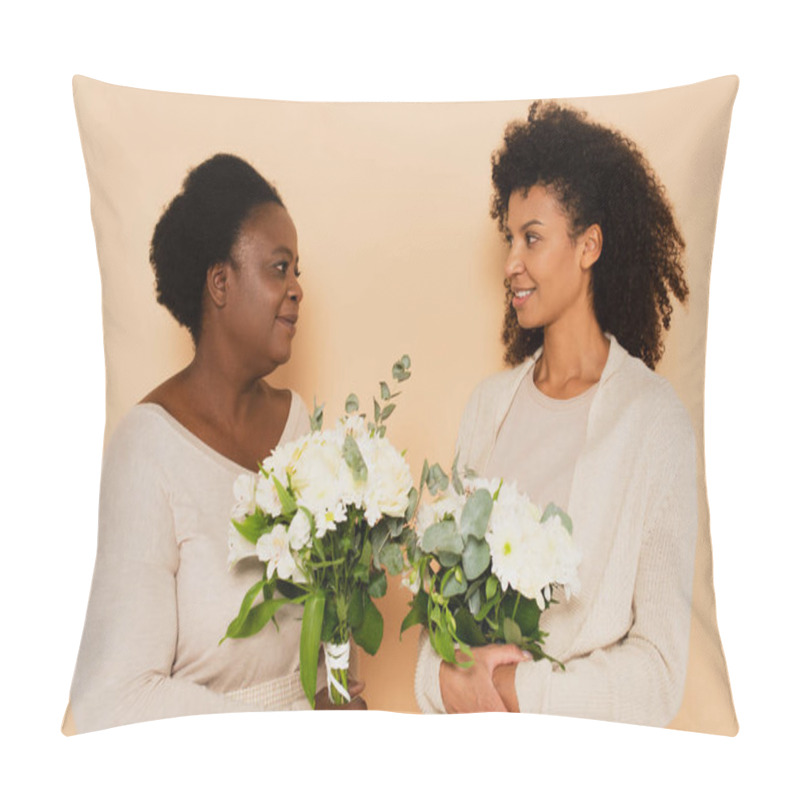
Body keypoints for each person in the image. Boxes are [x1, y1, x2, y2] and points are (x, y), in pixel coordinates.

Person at [415, 102, 698, 727]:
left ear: (589, 245)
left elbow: (659, 673)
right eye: (509, 238)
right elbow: (431, 630)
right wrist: (442, 677)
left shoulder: (654, 423)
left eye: (533, 238)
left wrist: (516, 690)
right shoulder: (488, 408)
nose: (512, 261)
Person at [67, 154, 363, 734]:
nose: (298, 289)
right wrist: (289, 742)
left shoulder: (302, 431)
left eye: (296, 270)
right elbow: (115, 698)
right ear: (220, 283)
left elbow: (335, 645)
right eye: (279, 268)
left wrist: (345, 707)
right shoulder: (146, 452)